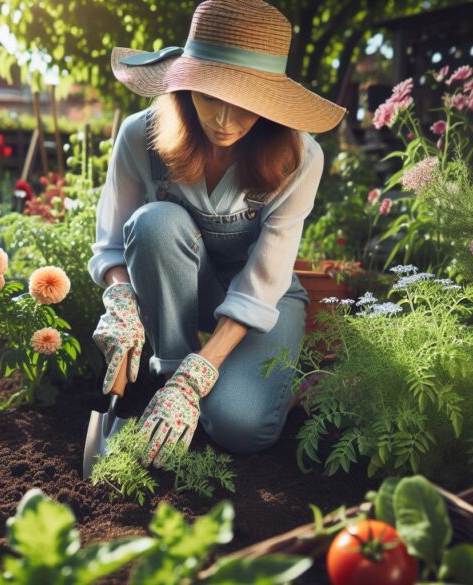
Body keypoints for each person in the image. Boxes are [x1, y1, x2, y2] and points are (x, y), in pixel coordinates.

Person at [88, 0, 346, 469]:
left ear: (269, 106)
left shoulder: (300, 158)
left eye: (243, 105)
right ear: (186, 87)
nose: (224, 121)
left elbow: (262, 282)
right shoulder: (140, 138)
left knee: (241, 427)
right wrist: (121, 300)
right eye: (210, 97)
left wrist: (199, 377)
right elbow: (111, 245)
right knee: (155, 221)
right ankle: (160, 381)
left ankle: (274, 390)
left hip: (262, 299)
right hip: (184, 284)